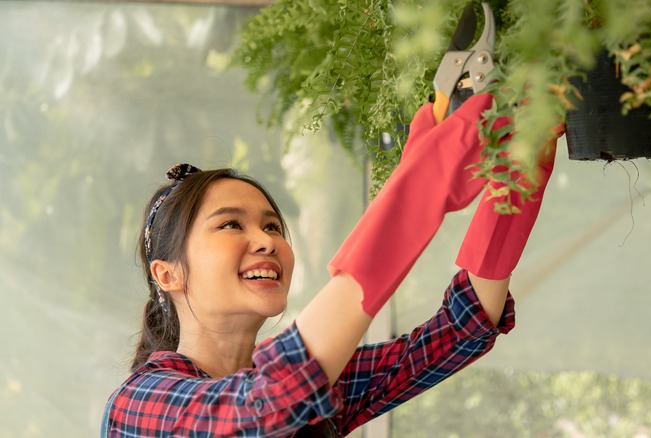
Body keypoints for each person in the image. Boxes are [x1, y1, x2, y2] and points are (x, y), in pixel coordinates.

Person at [102, 93, 563, 437]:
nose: (265, 241)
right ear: (168, 273)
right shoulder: (140, 407)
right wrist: (419, 191)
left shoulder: (320, 386)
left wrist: (517, 176)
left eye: (272, 226)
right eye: (229, 225)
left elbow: (458, 332)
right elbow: (266, 403)